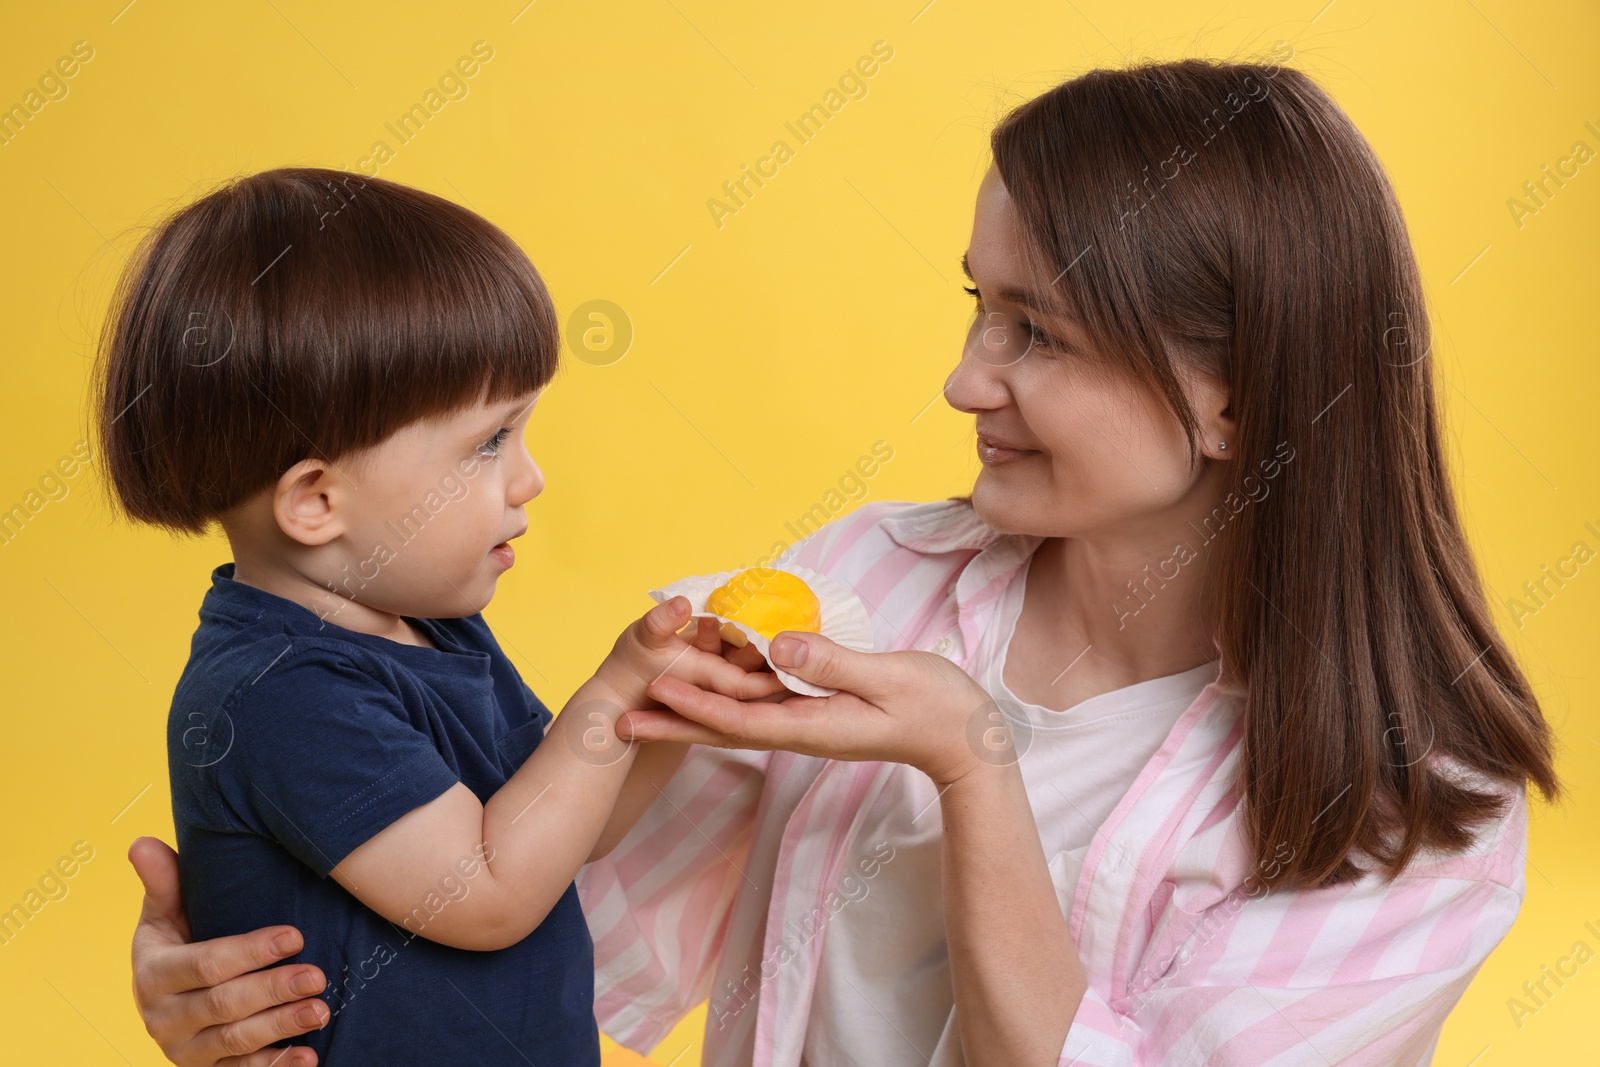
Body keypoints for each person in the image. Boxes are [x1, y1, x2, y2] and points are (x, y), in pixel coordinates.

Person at [126, 57, 1560, 1067]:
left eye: (1035, 331)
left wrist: (974, 764)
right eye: (974, 306)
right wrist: (255, 982)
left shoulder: (1413, 807)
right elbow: (537, 906)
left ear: (1239, 392)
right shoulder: (863, 586)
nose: (960, 379)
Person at [96, 167, 782, 1065]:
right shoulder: (281, 693)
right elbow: (490, 892)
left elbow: (564, 833)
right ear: (316, 501)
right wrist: (604, 696)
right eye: (489, 442)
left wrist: (670, 706)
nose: (528, 477)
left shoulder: (425, 625)